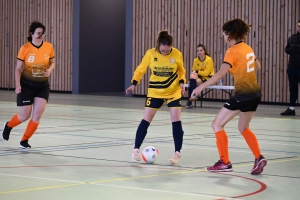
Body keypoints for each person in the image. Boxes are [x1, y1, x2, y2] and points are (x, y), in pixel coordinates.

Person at [191, 19, 267, 174]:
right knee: (243, 127)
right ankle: (258, 157)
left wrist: (201, 86)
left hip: (243, 94)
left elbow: (220, 73)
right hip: (255, 94)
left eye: (224, 35)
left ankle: (224, 162)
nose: (224, 38)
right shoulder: (248, 48)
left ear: (230, 34)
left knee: (216, 125)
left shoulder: (232, 51)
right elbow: (258, 66)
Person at [126, 30, 186, 165]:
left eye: (167, 51)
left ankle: (177, 153)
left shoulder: (177, 54)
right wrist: (134, 82)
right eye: (163, 50)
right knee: (146, 119)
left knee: (176, 120)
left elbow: (181, 71)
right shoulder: (150, 54)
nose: (165, 52)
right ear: (158, 45)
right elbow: (141, 69)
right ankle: (136, 150)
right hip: (155, 91)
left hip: (173, 91)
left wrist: (182, 83)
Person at [1, 21, 55, 148]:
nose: (41, 36)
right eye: (38, 33)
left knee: (37, 115)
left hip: (42, 86)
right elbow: (18, 69)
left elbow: (52, 62)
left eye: (42, 34)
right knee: (24, 116)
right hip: (26, 85)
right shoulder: (25, 48)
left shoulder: (48, 47)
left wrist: (50, 70)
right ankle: (8, 126)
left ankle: (24, 140)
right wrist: (17, 84)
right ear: (31, 34)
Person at [280, 20, 300, 116]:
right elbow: (286, 49)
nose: (299, 28)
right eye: (298, 26)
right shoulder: (292, 38)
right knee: (292, 88)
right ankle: (291, 108)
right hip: (292, 67)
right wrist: (290, 50)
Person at [186, 44, 214, 108]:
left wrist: (197, 72)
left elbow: (206, 73)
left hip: (208, 77)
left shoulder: (209, 60)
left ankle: (190, 101)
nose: (199, 52)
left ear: (204, 51)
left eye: (201, 50)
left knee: (192, 82)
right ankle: (193, 97)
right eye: (198, 51)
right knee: (192, 79)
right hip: (199, 77)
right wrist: (195, 74)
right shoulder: (195, 60)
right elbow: (193, 71)